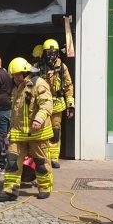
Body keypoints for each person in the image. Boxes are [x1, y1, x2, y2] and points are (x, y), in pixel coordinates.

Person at [0, 57, 53, 201]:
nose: (15, 78)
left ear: (25, 72)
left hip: (37, 133)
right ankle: (10, 190)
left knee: (41, 163)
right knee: (12, 162)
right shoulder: (18, 87)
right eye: (14, 75)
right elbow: (17, 112)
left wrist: (39, 118)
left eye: (17, 75)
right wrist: (10, 131)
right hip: (19, 133)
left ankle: (45, 187)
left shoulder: (39, 84)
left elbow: (47, 104)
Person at [37, 39, 74, 169]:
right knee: (41, 132)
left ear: (58, 53)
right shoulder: (37, 67)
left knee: (55, 131)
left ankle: (54, 158)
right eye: (48, 52)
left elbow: (69, 86)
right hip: (41, 104)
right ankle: (44, 157)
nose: (51, 56)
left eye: (54, 53)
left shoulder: (62, 67)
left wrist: (70, 105)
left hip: (57, 103)